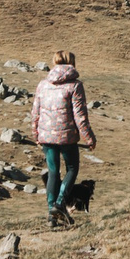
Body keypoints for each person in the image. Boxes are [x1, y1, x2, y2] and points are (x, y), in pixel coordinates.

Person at [29, 48, 98, 228]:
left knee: (53, 171)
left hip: (46, 136)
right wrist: (89, 138)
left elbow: (35, 112)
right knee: (72, 168)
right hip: (67, 137)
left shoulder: (43, 84)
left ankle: (52, 213)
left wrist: (35, 133)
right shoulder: (75, 85)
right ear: (72, 63)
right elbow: (80, 116)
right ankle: (60, 204)